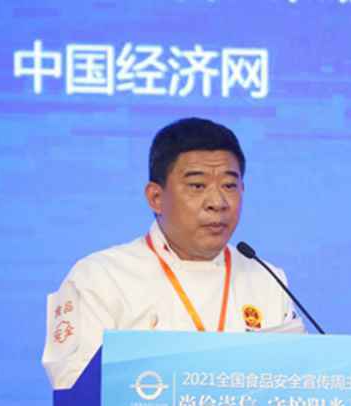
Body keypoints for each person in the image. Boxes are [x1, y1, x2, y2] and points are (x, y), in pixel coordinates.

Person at [42, 117, 302, 391]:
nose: (218, 202)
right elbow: (74, 387)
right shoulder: (99, 277)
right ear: (155, 197)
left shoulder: (266, 279)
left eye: (229, 185)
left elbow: (296, 384)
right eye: (197, 186)